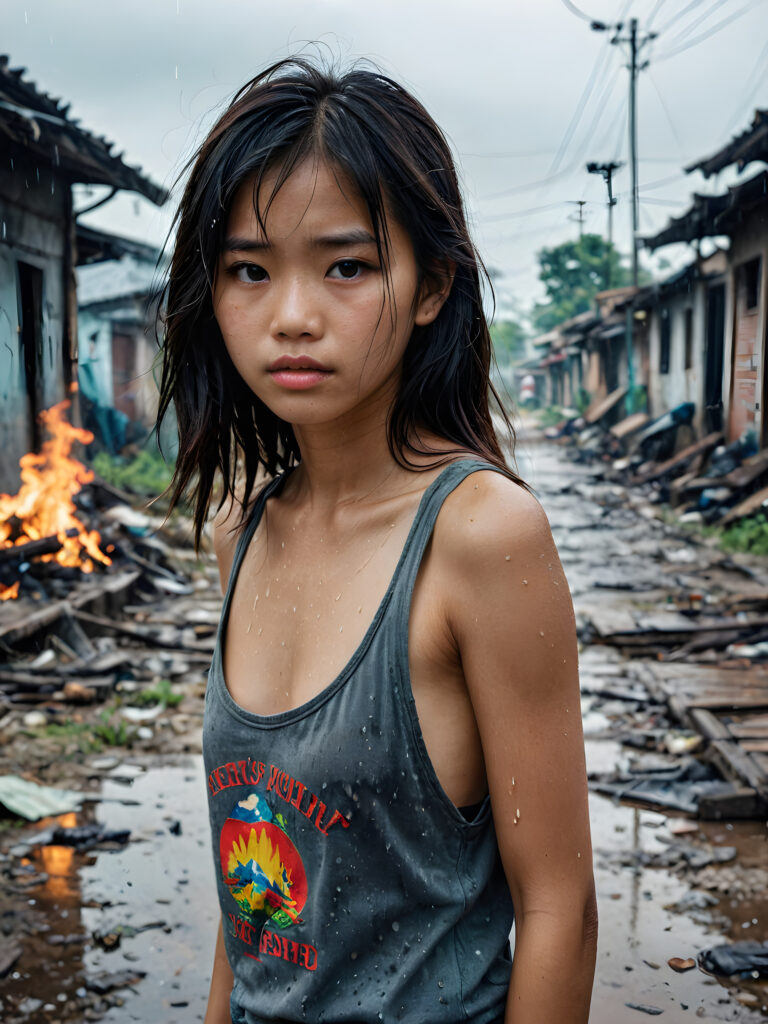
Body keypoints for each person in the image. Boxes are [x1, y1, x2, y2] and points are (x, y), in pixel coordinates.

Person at [156, 56, 597, 1024]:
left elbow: (559, 911)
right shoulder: (244, 533)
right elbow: (255, 895)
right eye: (249, 271)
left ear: (431, 285)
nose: (293, 317)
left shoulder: (480, 536)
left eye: (346, 266)